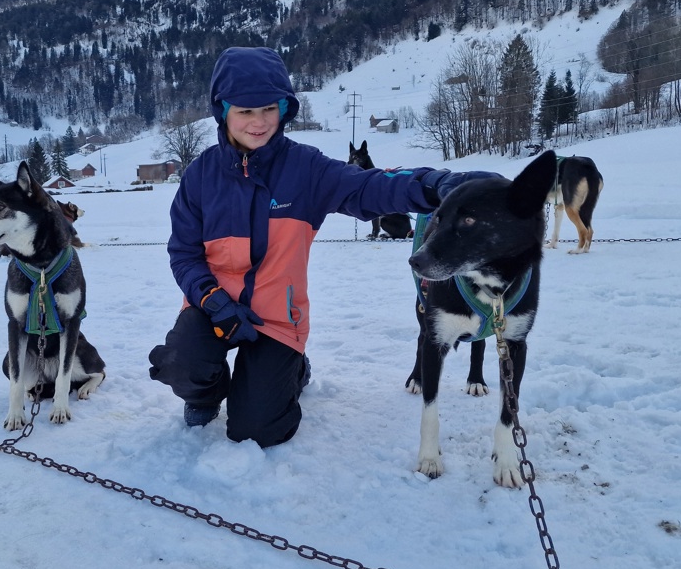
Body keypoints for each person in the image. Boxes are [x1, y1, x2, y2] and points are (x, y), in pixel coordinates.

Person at [148, 46, 496, 448]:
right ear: (222, 110)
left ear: (285, 108)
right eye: (245, 111)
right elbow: (184, 254)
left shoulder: (306, 169)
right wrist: (212, 300)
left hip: (277, 318)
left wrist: (436, 185)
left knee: (258, 430)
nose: (259, 123)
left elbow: (370, 186)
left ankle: (293, 371)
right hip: (210, 307)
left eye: (269, 109)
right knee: (182, 361)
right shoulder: (200, 176)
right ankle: (206, 395)